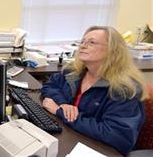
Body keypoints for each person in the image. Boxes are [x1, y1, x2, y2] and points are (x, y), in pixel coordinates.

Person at [41, 26, 148, 155]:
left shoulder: (125, 89)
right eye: (83, 41)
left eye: (91, 42)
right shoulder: (74, 72)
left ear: (112, 50)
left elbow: (116, 136)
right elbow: (50, 86)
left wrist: (60, 112)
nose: (83, 46)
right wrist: (63, 103)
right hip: (73, 136)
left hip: (99, 150)